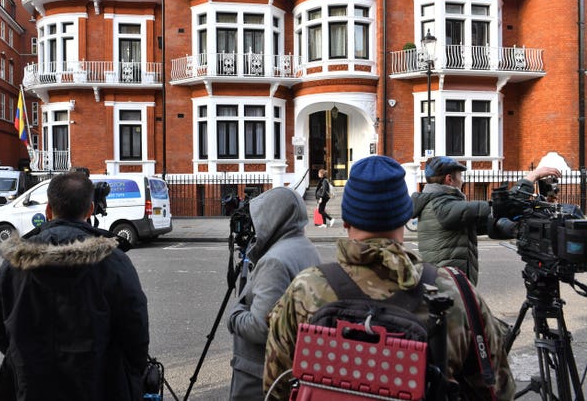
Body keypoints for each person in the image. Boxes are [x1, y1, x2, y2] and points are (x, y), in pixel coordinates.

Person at [263, 155, 515, 400]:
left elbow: (275, 386)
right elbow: (499, 388)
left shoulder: (304, 290)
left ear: (347, 220)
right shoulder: (454, 290)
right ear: (405, 217)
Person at [0, 172, 149, 401]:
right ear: (90, 210)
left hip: (31, 388)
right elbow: (135, 330)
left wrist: (22, 358)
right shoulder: (114, 262)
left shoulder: (14, 264)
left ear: (48, 210)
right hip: (101, 386)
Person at [227, 187, 321, 401]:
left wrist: (234, 316)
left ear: (273, 217)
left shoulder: (274, 261)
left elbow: (261, 327)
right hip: (292, 367)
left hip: (258, 375)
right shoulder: (306, 247)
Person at [411, 156, 561, 285]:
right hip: (446, 285)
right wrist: (532, 177)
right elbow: (502, 206)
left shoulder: (439, 204)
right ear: (449, 179)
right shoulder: (443, 206)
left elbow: (485, 223)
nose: (462, 181)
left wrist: (516, 225)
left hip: (446, 283)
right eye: (460, 176)